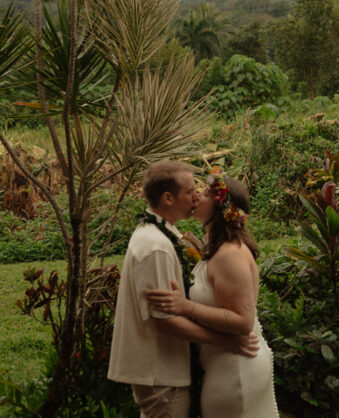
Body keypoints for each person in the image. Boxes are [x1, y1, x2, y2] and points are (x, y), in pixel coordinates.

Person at [109, 160, 259, 418]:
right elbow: (165, 321)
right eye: (190, 191)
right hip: (161, 373)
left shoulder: (167, 237)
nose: (196, 196)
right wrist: (226, 341)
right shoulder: (156, 245)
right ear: (168, 198)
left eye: (200, 192)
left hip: (178, 371)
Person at [146, 170, 279, 418]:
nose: (196, 197)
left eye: (205, 193)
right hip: (225, 364)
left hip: (237, 369)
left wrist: (186, 307)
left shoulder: (230, 254)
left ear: (222, 207)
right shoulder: (216, 249)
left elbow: (243, 321)